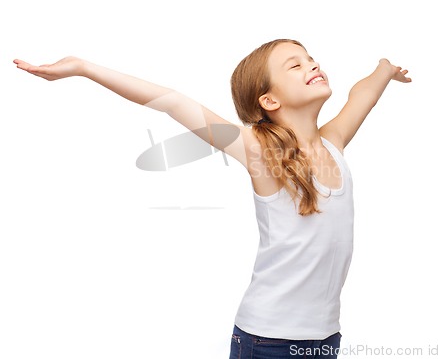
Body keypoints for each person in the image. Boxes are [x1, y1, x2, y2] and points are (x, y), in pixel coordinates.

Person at [14, 39, 411, 358]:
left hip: (326, 338)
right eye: (295, 64)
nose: (311, 64)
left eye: (310, 58)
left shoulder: (334, 142)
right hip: (269, 341)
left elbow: (365, 95)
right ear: (269, 101)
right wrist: (85, 68)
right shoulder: (259, 153)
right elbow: (171, 101)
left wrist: (385, 69)